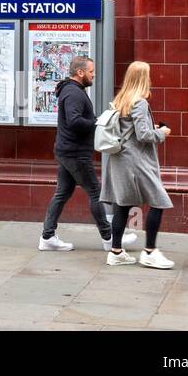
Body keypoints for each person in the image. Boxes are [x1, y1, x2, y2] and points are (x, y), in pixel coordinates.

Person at [38, 56, 136, 253]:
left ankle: (47, 237)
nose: (94, 75)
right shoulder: (74, 93)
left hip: (67, 150)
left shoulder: (72, 90)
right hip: (75, 153)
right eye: (91, 71)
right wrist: (97, 122)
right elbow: (74, 121)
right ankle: (109, 238)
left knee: (62, 193)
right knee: (95, 193)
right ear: (80, 72)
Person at [100, 61, 176, 270]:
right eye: (149, 75)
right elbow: (143, 135)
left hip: (119, 160)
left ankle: (116, 252)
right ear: (143, 78)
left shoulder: (120, 99)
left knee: (121, 205)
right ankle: (150, 252)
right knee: (159, 201)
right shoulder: (139, 102)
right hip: (137, 162)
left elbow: (131, 130)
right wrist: (162, 132)